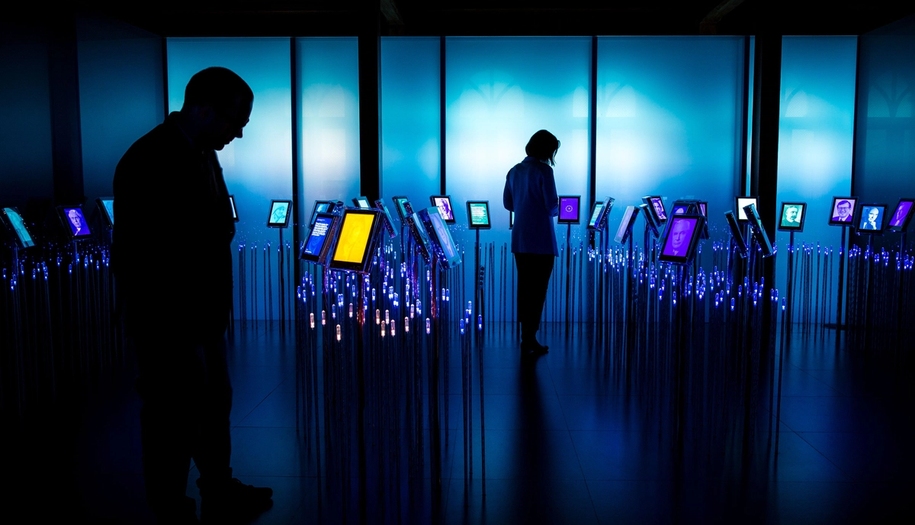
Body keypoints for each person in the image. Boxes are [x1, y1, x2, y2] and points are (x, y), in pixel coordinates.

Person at [112, 67, 271, 524]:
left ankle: (217, 486)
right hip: (168, 318)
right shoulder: (150, 159)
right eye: (234, 121)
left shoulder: (200, 152)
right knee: (171, 413)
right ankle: (170, 506)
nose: (238, 133)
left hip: (201, 313)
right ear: (201, 108)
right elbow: (148, 254)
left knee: (210, 401)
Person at [503, 130, 560, 358]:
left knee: (525, 288)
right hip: (542, 241)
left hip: (520, 239)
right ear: (547, 150)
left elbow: (508, 203)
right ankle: (530, 337)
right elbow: (551, 206)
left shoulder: (514, 171)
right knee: (539, 290)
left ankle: (525, 336)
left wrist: (525, 206)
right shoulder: (544, 171)